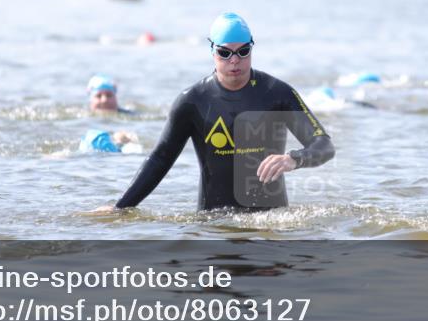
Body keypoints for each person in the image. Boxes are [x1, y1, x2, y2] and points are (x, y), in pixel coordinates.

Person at [89, 12, 334, 212]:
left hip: (270, 224)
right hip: (213, 225)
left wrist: (294, 158)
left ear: (251, 49)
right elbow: (160, 159)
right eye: (225, 53)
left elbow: (324, 145)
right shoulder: (193, 101)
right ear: (213, 52)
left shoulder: (276, 93)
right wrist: (120, 208)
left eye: (243, 52)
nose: (234, 60)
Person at [79, 74, 139, 153]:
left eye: (109, 95)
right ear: (91, 100)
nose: (104, 100)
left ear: (115, 97)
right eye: (98, 96)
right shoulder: (81, 115)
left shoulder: (131, 115)